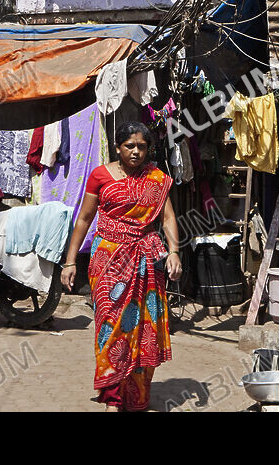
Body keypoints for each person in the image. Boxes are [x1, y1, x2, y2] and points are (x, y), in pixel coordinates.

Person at [61, 121, 183, 411]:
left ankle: (135, 395)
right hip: (109, 260)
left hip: (146, 259)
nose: (136, 152)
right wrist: (69, 261)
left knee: (143, 328)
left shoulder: (156, 178)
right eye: (130, 146)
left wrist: (175, 252)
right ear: (118, 147)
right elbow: (84, 219)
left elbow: (166, 218)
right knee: (111, 327)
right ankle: (113, 397)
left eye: (142, 146)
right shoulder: (100, 176)